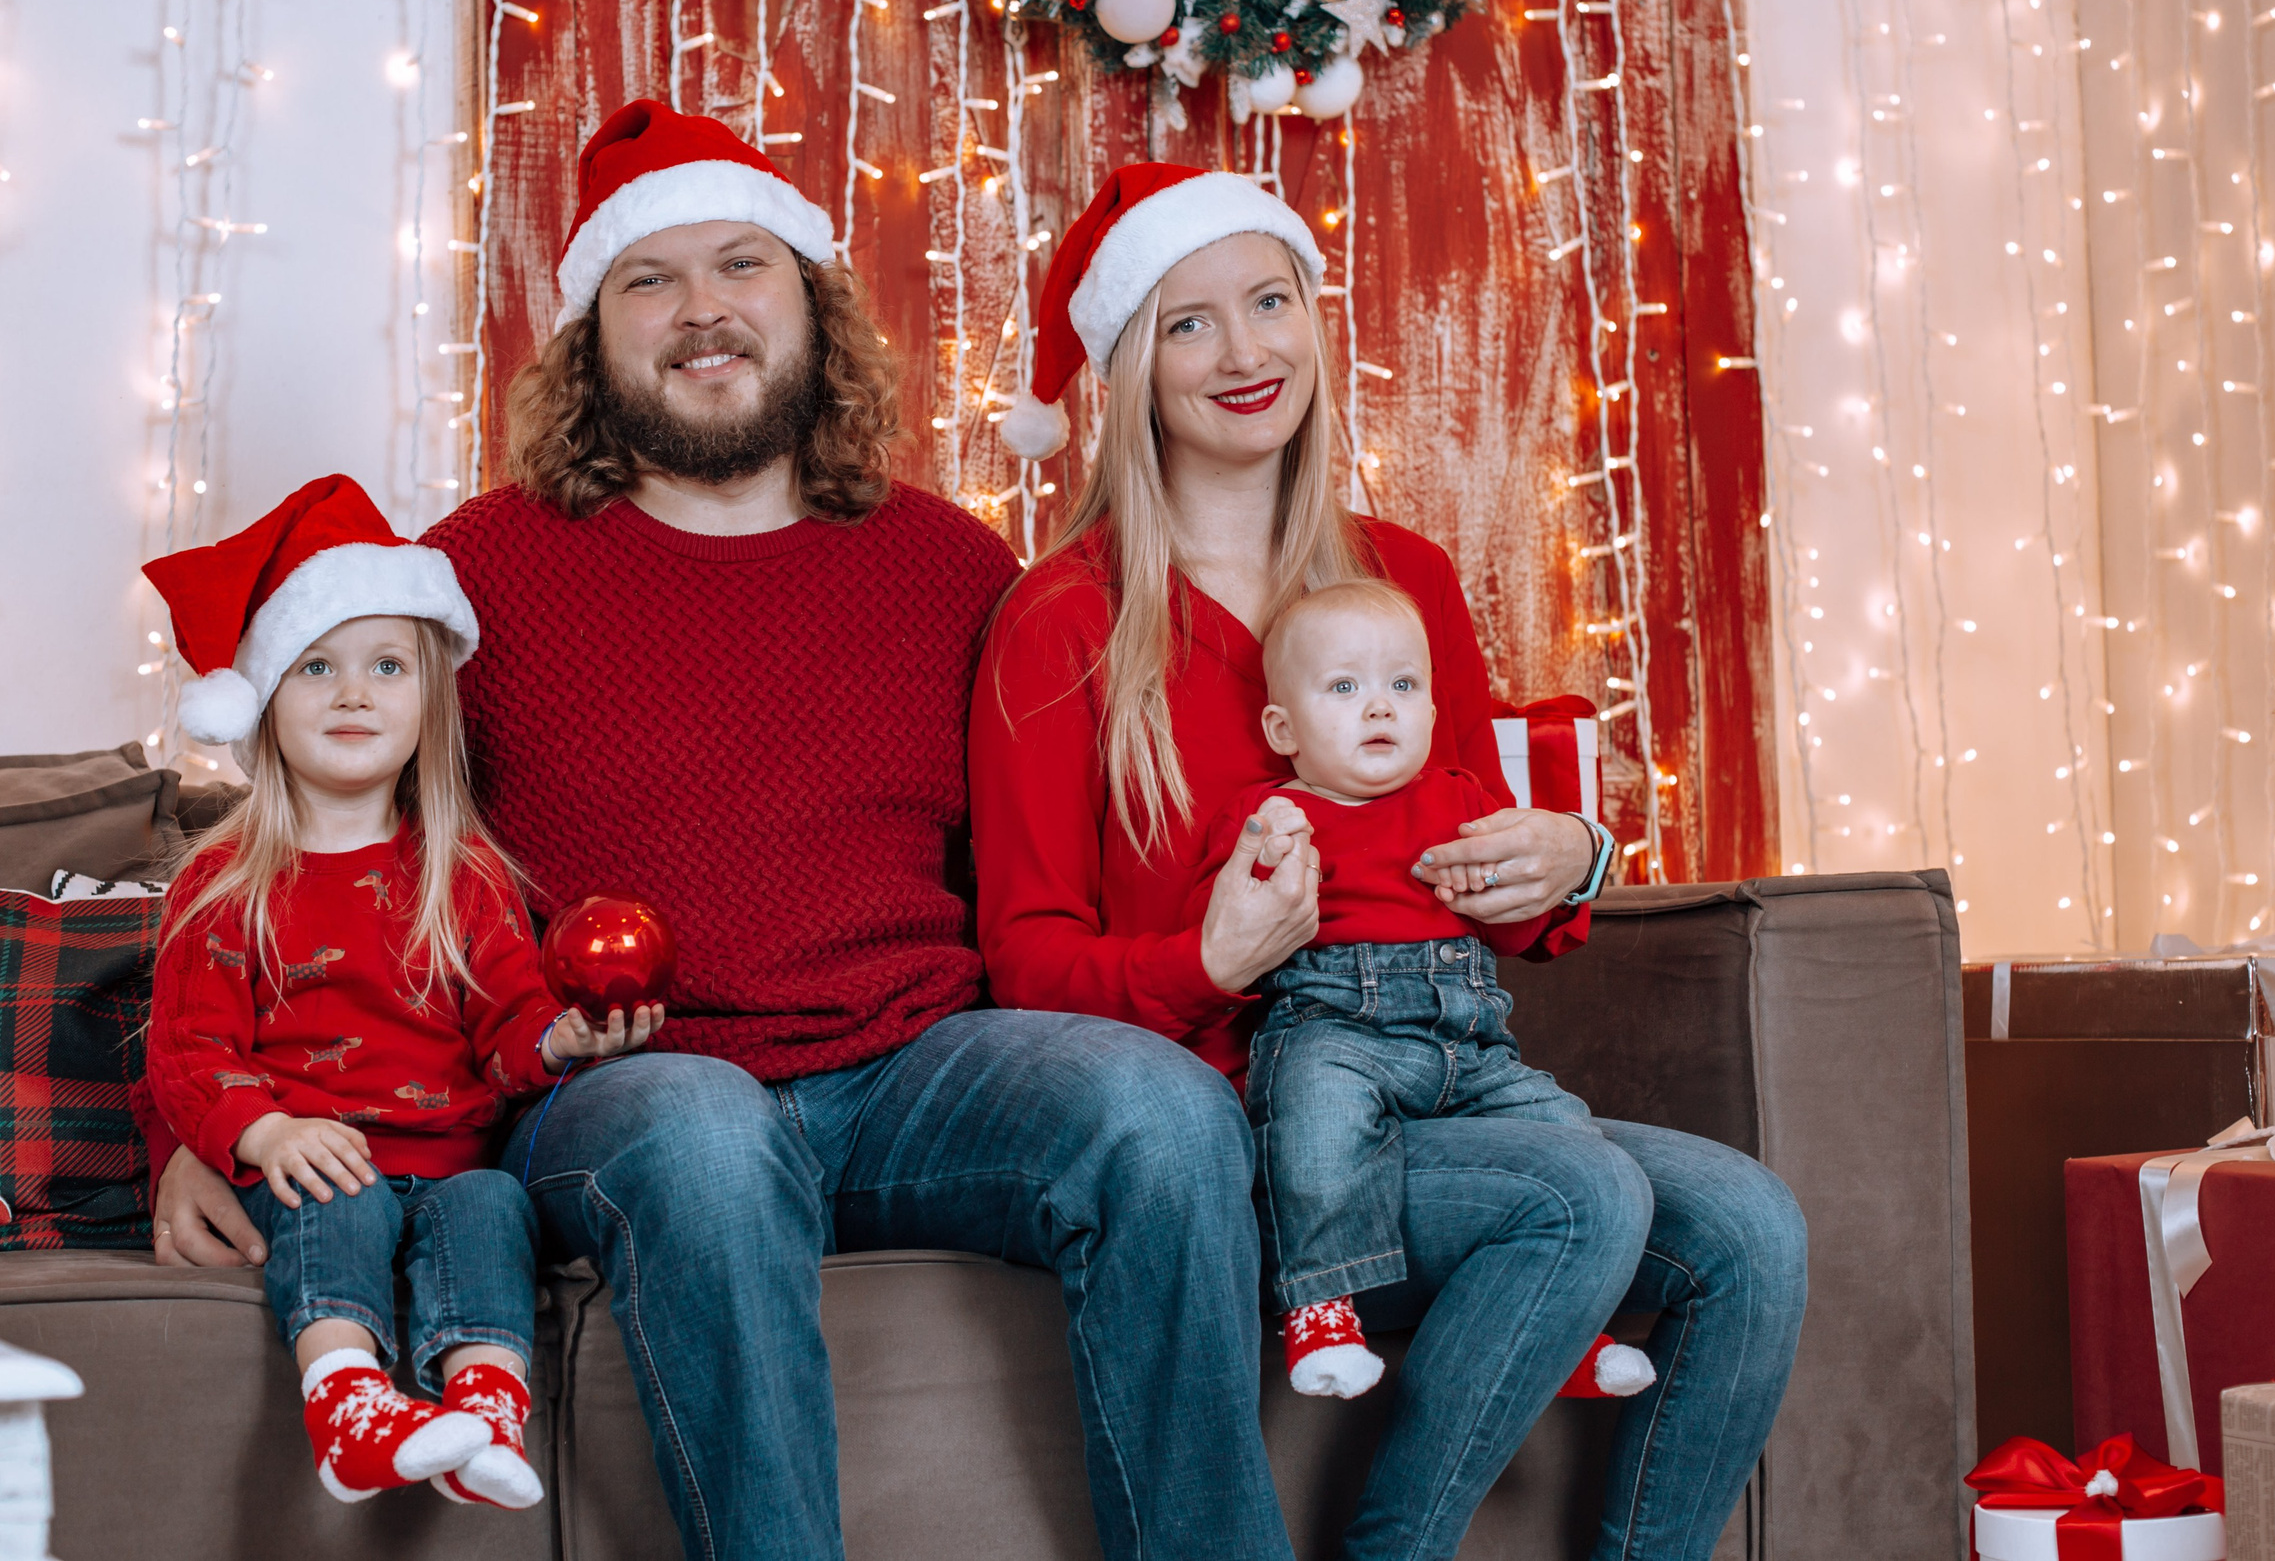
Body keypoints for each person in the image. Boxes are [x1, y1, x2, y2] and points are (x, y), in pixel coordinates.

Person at [143, 107, 1298, 1561]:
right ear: (589, 338)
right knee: (700, 1127)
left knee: (1153, 1110)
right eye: (651, 279)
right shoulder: (474, 574)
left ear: (808, 302)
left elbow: (1072, 854)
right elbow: (299, 845)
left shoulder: (954, 565)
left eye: (740, 264)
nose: (702, 310)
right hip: (626, 1084)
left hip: (914, 1068)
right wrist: (197, 1126)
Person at [972, 162, 1809, 1561]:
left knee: (1754, 1230)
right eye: (1187, 323)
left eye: (1269, 301)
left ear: (1312, 318)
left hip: (1444, 1088)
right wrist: (1206, 962)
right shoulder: (1062, 626)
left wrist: (1566, 859)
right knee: (1581, 1190)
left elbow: (1478, 850)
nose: (1244, 353)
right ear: (1124, 370)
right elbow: (1026, 964)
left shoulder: (1402, 578)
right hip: (1239, 1138)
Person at [140, 475, 657, 1508]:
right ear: (263, 701)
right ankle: (349, 1406)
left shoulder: (459, 873)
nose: (353, 692)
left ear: (429, 700)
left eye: (386, 666)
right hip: (311, 1162)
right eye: (315, 667)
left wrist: (563, 1039)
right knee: (341, 1200)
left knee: (492, 1202)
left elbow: (508, 1016)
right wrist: (265, 1133)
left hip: (450, 1158)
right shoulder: (226, 882)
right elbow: (189, 1054)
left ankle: (484, 1407)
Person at [1191, 577, 1648, 1407]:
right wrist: (1264, 862)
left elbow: (1513, 933)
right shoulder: (1271, 813)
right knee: (1316, 1126)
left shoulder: (1463, 802)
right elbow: (1230, 942)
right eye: (1345, 688)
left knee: (1572, 1140)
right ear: (1282, 729)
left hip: (1469, 1043)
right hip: (1334, 1028)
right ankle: (1323, 1310)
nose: (1380, 710)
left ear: (1434, 714)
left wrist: (1523, 887)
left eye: (1403, 687)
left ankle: (1571, 1335)